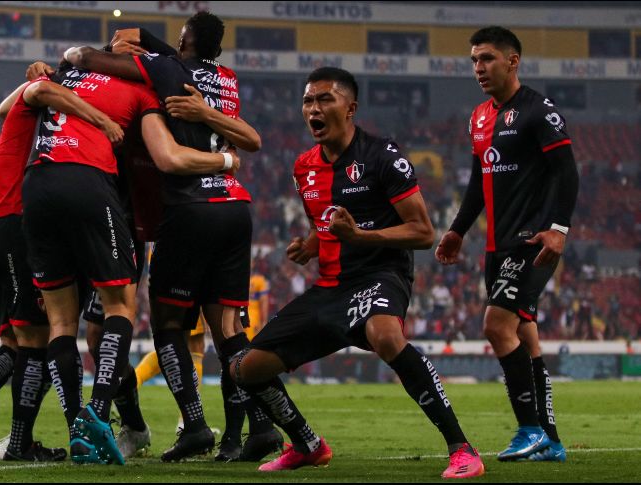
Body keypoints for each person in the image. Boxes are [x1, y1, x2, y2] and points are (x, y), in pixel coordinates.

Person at [229, 67, 485, 479]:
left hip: (382, 274)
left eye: (324, 99)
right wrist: (311, 243)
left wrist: (360, 236)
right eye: (308, 101)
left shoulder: (383, 156)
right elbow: (324, 223)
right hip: (331, 286)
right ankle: (307, 444)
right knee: (244, 368)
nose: (314, 108)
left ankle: (462, 448)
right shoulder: (304, 168)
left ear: (350, 109)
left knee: (385, 335)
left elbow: (422, 232)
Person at [60, 11, 282, 463]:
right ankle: (258, 428)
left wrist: (83, 55)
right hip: (233, 206)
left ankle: (194, 424)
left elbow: (88, 58)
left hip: (180, 209)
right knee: (227, 329)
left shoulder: (161, 73)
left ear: (182, 42)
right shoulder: (227, 79)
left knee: (164, 325)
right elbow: (250, 139)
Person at [22, 59, 243, 465]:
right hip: (94, 200)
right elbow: (29, 94)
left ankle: (108, 420)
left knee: (98, 325)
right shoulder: (79, 80)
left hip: (116, 216)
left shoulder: (150, 97)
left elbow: (171, 157)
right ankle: (115, 424)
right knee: (94, 330)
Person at [0, 76, 124, 463]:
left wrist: (43, 82)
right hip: (12, 228)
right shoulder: (47, 111)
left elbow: (5, 106)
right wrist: (100, 118)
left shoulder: (28, 119)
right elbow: (39, 91)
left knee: (16, 343)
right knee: (35, 344)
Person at [435, 26, 578, 463]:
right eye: (475, 60)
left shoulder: (539, 111)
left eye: (488, 59)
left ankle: (529, 428)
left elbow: (567, 172)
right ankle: (550, 441)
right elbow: (481, 179)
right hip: (496, 246)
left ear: (513, 60)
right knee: (525, 334)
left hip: (532, 242)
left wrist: (558, 229)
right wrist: (458, 228)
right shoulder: (479, 117)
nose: (479, 67)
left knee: (496, 327)